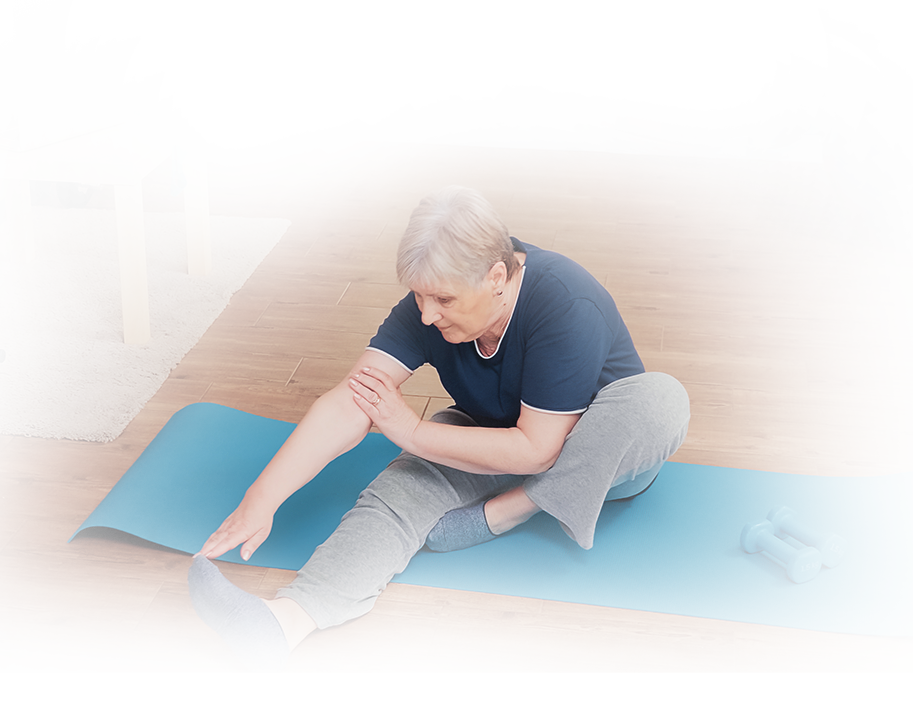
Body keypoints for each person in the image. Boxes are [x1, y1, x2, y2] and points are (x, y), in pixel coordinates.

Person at [188, 185, 690, 672]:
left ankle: (509, 512)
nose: (427, 315)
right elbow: (352, 399)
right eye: (418, 296)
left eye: (443, 300)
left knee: (662, 397)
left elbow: (539, 450)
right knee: (397, 492)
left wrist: (409, 431)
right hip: (492, 437)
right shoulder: (428, 303)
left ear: (497, 275)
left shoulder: (566, 301)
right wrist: (263, 496)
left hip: (599, 458)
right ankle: (283, 622)